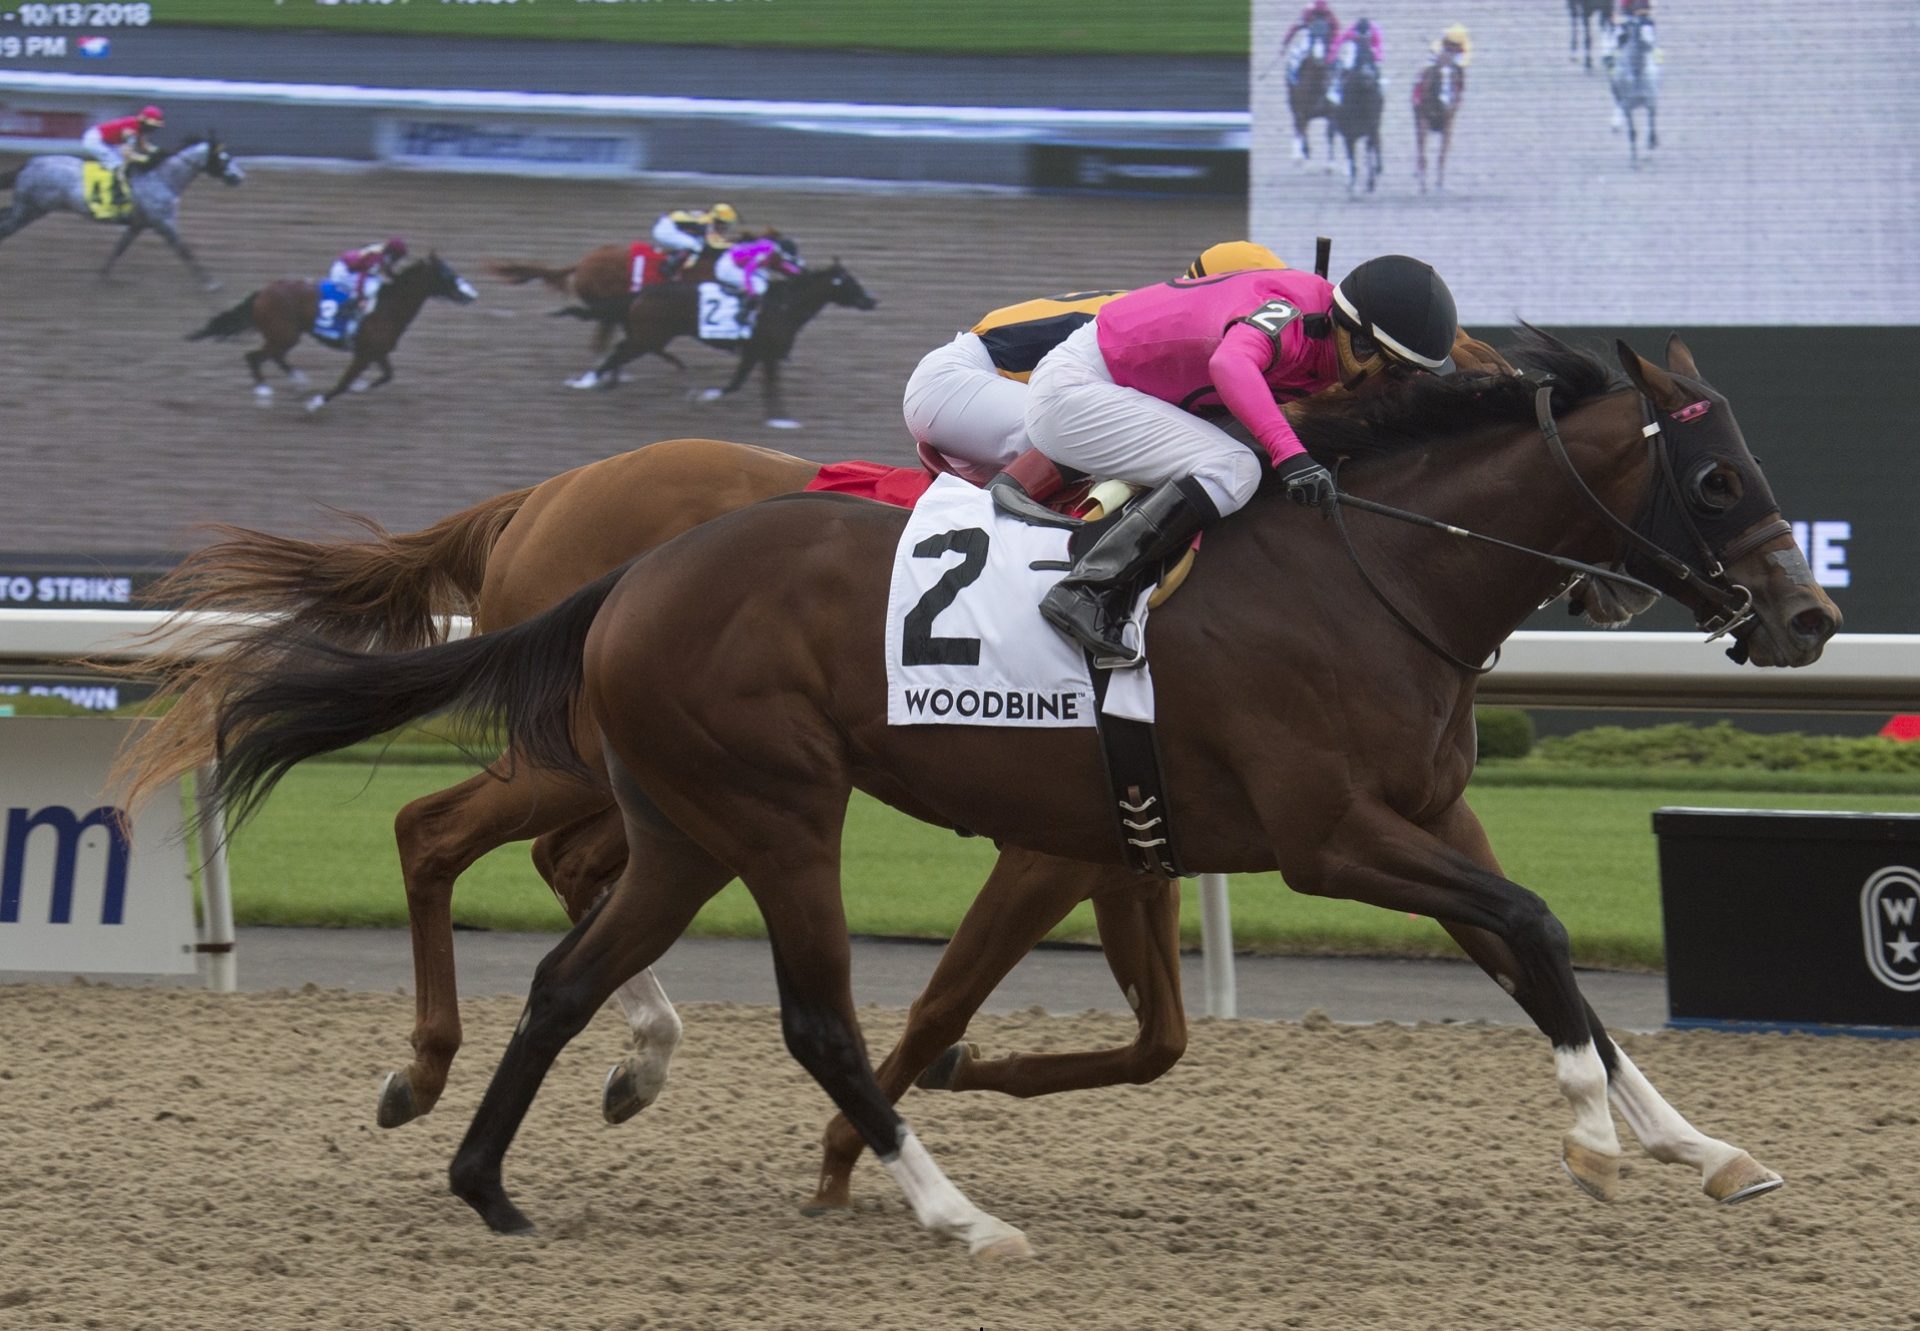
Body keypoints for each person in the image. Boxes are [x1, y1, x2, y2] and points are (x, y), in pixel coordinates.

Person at [1022, 255, 1459, 666]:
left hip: (1126, 389)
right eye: (1398, 372)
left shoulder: (1330, 331)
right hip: (1076, 391)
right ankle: (1087, 590)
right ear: (1360, 343)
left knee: (1249, 463)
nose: (1400, 386)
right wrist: (1292, 456)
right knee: (1234, 467)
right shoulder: (1290, 315)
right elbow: (1231, 364)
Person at [904, 242, 1291, 483]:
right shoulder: (1162, 329)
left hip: (986, 396)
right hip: (957, 382)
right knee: (1098, 434)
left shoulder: (1170, 319)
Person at [80, 105, 163, 206]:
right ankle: (114, 196)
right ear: (144, 120)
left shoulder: (140, 127)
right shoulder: (130, 130)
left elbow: (144, 146)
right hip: (95, 140)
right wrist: (145, 159)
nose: (153, 128)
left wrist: (160, 152)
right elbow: (127, 154)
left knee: (120, 162)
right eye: (152, 125)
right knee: (117, 164)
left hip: (108, 141)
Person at [713, 232, 802, 325]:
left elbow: (780, 265)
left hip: (738, 261)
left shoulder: (773, 250)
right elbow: (748, 271)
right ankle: (743, 315)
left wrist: (797, 273)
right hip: (728, 266)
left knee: (764, 276)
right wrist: (751, 290)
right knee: (759, 286)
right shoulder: (765, 254)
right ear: (780, 252)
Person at [327, 237, 409, 321]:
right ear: (393, 253)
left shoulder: (383, 253)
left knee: (376, 281)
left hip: (352, 270)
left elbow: (386, 269)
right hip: (343, 271)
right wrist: (360, 297)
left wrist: (397, 279)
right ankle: (346, 308)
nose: (398, 260)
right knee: (372, 287)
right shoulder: (376, 256)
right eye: (398, 256)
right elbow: (362, 276)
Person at [650, 202, 738, 276]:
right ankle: (669, 268)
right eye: (725, 224)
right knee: (695, 245)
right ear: (718, 220)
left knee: (694, 243)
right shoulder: (705, 224)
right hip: (666, 229)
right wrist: (734, 246)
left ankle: (673, 259)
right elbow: (713, 244)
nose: (726, 227)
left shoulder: (707, 219)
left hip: (668, 224)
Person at [1327, 17, 1383, 105]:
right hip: (1355, 48)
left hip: (1370, 48)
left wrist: (1378, 57)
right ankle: (1337, 88)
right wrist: (1332, 57)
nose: (1363, 37)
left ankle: (1379, 85)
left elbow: (1379, 45)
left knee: (1376, 66)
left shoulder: (1375, 30)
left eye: (1366, 36)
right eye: (1360, 36)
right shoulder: (1351, 29)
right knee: (1347, 61)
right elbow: (1339, 41)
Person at [1282, 0, 1342, 71]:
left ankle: (1335, 77)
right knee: (1296, 53)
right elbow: (1295, 27)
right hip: (1310, 39)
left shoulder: (1329, 14)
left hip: (1325, 40)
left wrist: (1333, 43)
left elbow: (1336, 29)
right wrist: (1285, 43)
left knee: (1335, 60)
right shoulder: (1308, 12)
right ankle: (1294, 73)